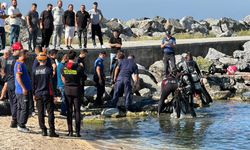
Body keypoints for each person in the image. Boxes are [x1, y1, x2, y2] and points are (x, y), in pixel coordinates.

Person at [32, 52, 59, 137]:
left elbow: (33, 84)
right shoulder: (48, 70)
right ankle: (52, 131)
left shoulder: (34, 70)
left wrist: (33, 94)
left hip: (38, 93)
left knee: (40, 112)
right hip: (47, 93)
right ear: (46, 60)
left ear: (38, 60)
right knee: (50, 112)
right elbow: (51, 84)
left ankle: (43, 130)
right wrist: (54, 95)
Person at [61, 50, 85, 137]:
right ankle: (77, 132)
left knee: (69, 111)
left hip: (67, 89)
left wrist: (66, 84)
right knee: (77, 111)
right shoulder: (79, 67)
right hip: (76, 90)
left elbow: (62, 77)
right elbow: (83, 77)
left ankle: (70, 131)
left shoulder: (64, 67)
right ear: (75, 57)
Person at [5, 42, 22, 128]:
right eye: (20, 50)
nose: (21, 51)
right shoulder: (16, 60)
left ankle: (13, 118)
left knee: (12, 102)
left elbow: (5, 71)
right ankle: (14, 119)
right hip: (15, 82)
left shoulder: (8, 59)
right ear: (15, 50)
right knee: (15, 102)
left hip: (9, 82)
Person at [14, 49, 32, 132]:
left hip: (22, 90)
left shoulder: (22, 64)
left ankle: (19, 124)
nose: (28, 56)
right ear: (22, 55)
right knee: (24, 108)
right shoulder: (19, 65)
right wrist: (24, 88)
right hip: (21, 91)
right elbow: (18, 77)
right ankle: (21, 125)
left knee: (21, 108)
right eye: (26, 55)